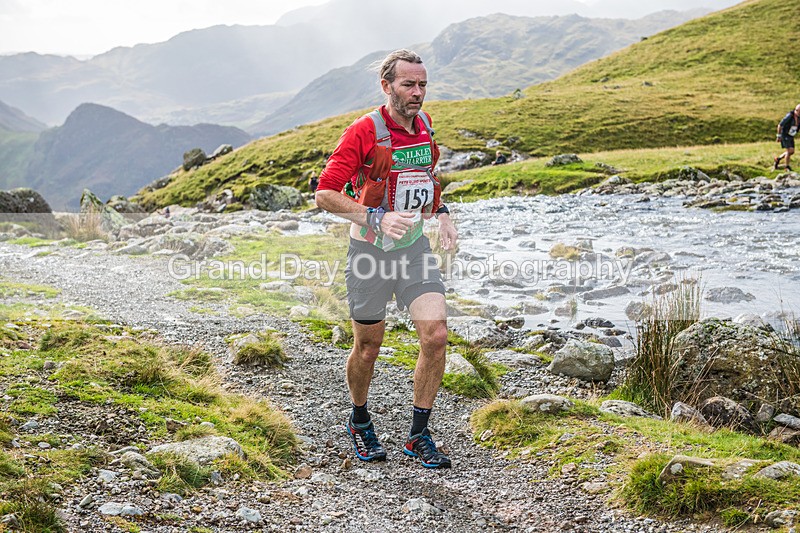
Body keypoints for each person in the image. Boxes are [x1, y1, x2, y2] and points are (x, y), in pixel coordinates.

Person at [315, 49, 458, 469]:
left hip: (414, 250)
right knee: (368, 346)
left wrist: (443, 214)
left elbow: (427, 182)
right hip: (369, 254)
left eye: (423, 85)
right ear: (387, 86)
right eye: (408, 85)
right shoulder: (364, 131)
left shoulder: (426, 125)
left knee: (435, 336)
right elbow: (325, 194)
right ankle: (359, 419)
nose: (418, 93)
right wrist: (375, 217)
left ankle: (418, 435)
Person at [773, 103, 800, 171]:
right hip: (785, 135)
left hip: (791, 135)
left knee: (791, 152)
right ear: (797, 110)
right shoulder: (790, 116)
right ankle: (787, 166)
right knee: (789, 151)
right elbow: (780, 125)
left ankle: (778, 159)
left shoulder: (799, 117)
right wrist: (778, 136)